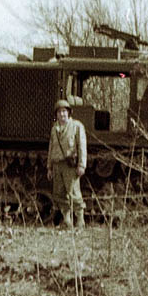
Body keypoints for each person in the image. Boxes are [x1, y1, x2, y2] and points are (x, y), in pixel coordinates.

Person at [48, 98, 87, 229]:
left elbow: (82, 146)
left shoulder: (77, 126)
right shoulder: (55, 129)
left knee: (74, 193)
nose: (62, 114)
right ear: (56, 114)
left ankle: (80, 221)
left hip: (70, 165)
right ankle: (67, 221)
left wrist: (82, 164)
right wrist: (49, 167)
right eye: (59, 112)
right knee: (59, 194)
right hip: (57, 165)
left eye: (64, 111)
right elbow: (51, 148)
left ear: (68, 113)